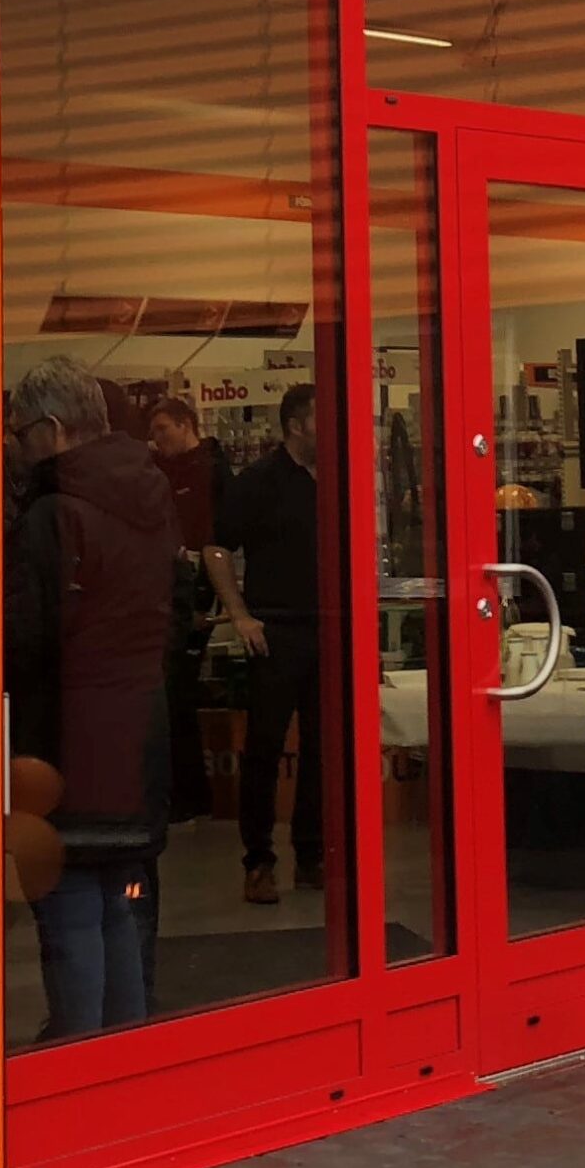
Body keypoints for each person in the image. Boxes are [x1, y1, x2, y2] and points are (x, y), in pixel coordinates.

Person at [2, 358, 178, 1041]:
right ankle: (123, 1059)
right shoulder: (149, 495)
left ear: (51, 430)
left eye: (20, 433)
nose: (16, 447)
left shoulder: (54, 514)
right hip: (137, 732)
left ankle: (78, 1062)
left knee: (70, 904)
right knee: (119, 902)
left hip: (68, 738)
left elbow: (25, 638)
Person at [208, 381, 327, 904]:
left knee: (324, 748)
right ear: (296, 425)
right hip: (274, 631)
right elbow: (216, 548)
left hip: (328, 628)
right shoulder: (258, 481)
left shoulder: (339, 480)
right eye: (322, 419)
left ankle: (312, 854)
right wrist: (240, 615)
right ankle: (258, 860)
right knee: (265, 748)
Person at [145, 393, 220, 822]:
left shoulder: (211, 471)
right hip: (175, 591)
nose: (158, 439)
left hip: (198, 594)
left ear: (185, 424)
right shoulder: (162, 472)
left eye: (163, 429)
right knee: (175, 696)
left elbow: (214, 540)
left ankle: (190, 795)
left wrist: (205, 598)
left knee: (179, 696)